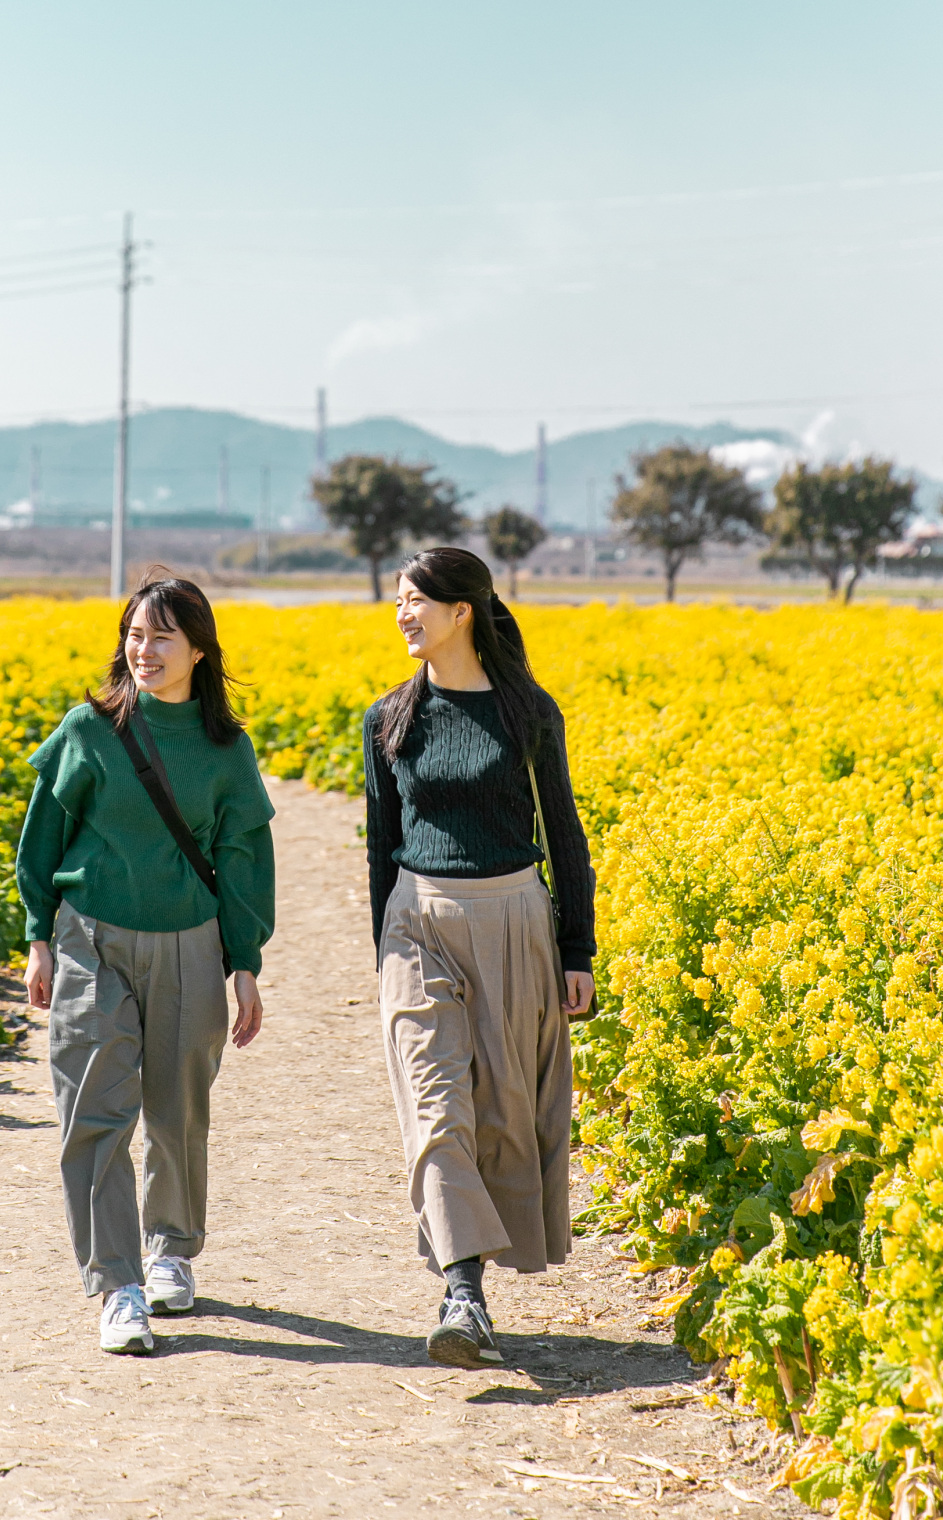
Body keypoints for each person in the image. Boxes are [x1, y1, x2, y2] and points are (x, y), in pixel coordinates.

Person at [18, 574, 274, 1356]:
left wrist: (245, 962)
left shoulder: (227, 748)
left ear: (200, 649)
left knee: (177, 1112)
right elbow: (42, 838)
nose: (145, 649)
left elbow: (241, 857)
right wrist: (36, 936)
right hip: (91, 941)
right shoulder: (88, 731)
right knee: (94, 1114)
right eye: (135, 634)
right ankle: (118, 1284)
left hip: (192, 944)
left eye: (163, 636)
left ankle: (171, 1251)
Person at [364, 546, 596, 1369]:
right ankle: (463, 1293)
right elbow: (380, 847)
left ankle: (470, 1286)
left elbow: (564, 832)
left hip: (513, 919)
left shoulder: (529, 712)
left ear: (463, 610)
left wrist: (579, 950)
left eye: (416, 598)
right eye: (397, 598)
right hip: (416, 923)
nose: (402, 612)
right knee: (434, 1109)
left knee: (499, 1117)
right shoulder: (389, 717)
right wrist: (382, 960)